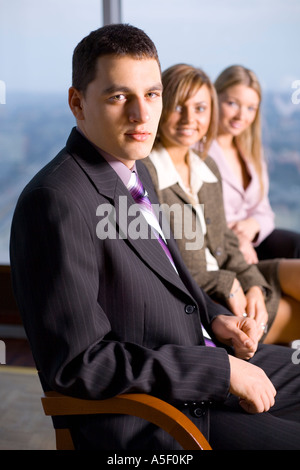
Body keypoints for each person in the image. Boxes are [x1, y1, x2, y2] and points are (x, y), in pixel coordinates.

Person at [9, 25, 300, 450]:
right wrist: (221, 372)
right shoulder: (55, 203)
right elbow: (78, 365)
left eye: (151, 94)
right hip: (156, 415)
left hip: (197, 360)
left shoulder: (135, 167)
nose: (142, 116)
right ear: (77, 102)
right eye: (118, 97)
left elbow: (175, 277)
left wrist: (216, 316)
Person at [143, 63, 300, 346]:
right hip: (204, 297)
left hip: (232, 275)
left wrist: (253, 283)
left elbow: (225, 242)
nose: (189, 118)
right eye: (179, 107)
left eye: (200, 108)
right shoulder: (147, 173)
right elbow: (166, 262)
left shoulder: (206, 165)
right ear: (161, 107)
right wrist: (229, 284)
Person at [209, 65, 300, 263]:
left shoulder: (252, 153)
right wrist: (237, 239)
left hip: (253, 239)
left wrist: (253, 224)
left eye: (251, 108)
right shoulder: (198, 152)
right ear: (215, 99)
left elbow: (265, 211)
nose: (242, 116)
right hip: (219, 244)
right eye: (233, 104)